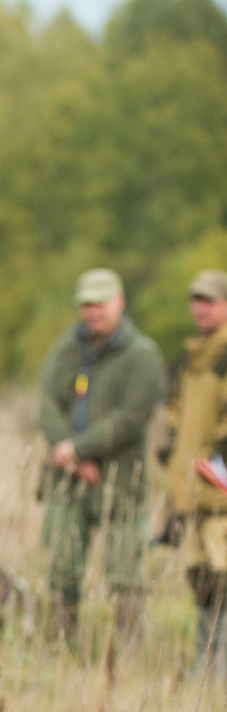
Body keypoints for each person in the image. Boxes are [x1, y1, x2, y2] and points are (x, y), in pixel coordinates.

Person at [37, 268, 165, 641]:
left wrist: (79, 448)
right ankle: (61, 649)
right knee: (62, 566)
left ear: (120, 302)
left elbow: (132, 418)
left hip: (121, 481)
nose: (93, 312)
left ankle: (129, 656)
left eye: (101, 304)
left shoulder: (143, 356)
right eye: (87, 305)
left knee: (126, 573)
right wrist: (71, 456)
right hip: (67, 478)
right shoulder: (66, 348)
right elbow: (47, 404)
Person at [160, 268, 227, 676]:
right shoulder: (189, 359)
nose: (201, 309)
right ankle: (206, 667)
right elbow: (175, 421)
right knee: (201, 579)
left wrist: (215, 465)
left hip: (219, 492)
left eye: (211, 301)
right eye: (196, 301)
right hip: (190, 491)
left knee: (224, 578)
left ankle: (220, 670)